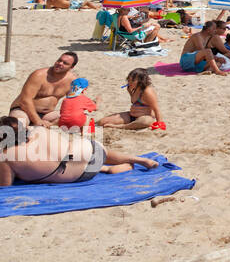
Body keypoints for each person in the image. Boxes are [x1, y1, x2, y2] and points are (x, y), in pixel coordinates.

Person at [0, 116, 158, 185]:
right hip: (91, 150)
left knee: (66, 164)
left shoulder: (6, 156)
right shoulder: (38, 131)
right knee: (88, 150)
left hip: (81, 175)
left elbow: (5, 185)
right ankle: (138, 159)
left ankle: (110, 169)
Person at [10, 53, 79, 126]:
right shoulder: (39, 75)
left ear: (71, 67)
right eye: (59, 60)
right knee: (19, 123)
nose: (60, 63)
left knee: (83, 118)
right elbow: (25, 100)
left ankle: (88, 137)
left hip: (46, 115)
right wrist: (37, 120)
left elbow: (74, 102)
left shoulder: (72, 81)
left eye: (65, 63)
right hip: (23, 110)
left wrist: (53, 123)